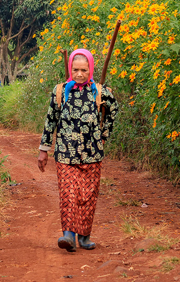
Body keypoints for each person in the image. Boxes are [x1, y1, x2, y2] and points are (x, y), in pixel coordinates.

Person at [37, 48, 119, 252]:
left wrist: (104, 134)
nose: (80, 74)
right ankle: (68, 236)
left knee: (88, 196)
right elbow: (50, 121)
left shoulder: (100, 91)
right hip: (65, 153)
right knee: (68, 194)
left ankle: (84, 237)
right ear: (70, 69)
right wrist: (43, 150)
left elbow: (113, 110)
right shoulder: (60, 91)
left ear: (90, 69)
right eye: (75, 70)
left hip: (92, 153)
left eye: (84, 69)